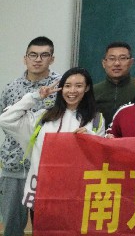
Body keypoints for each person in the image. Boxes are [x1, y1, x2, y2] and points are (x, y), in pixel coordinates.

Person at [0, 68, 105, 213]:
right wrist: (35, 97)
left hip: (77, 194)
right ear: (61, 89)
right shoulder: (44, 117)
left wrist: (90, 137)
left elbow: (100, 156)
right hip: (43, 191)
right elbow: (5, 119)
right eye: (67, 86)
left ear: (87, 88)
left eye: (79, 86)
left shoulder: (96, 120)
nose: (72, 90)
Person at [0, 37, 60, 236]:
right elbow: (4, 121)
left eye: (44, 55)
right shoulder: (11, 88)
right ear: (24, 58)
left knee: (46, 226)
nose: (38, 59)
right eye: (33, 55)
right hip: (14, 164)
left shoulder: (62, 86)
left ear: (52, 59)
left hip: (47, 166)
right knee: (11, 225)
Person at [93, 41, 135, 125]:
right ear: (104, 63)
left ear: (131, 62)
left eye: (122, 58)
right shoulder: (93, 91)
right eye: (112, 59)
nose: (117, 63)